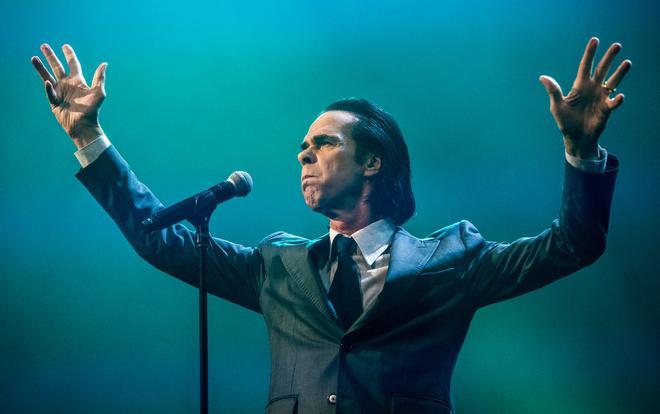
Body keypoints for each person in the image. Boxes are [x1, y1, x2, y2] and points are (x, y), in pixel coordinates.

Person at [31, 38, 630, 414]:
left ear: (372, 161)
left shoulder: (452, 260)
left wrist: (580, 150)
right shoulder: (277, 266)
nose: (304, 154)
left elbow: (573, 244)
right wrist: (88, 136)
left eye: (323, 143)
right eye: (302, 146)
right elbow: (160, 237)